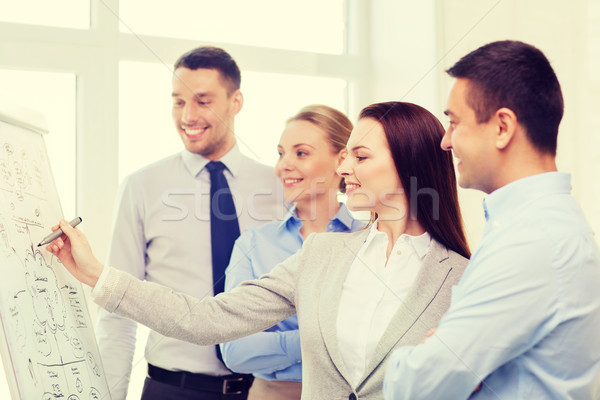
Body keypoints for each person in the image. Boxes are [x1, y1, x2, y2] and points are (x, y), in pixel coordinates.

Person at [47, 101, 471, 399]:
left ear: (409, 162)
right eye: (345, 157)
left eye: (360, 157)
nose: (344, 169)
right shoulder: (323, 254)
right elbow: (206, 318)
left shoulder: (463, 276)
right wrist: (96, 274)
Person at [383, 40, 600, 399]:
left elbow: (418, 387)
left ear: (502, 127)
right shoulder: (536, 227)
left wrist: (413, 360)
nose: (445, 142)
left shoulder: (532, 241)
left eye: (453, 122)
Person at [98, 46, 282, 400]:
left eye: (202, 100)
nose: (187, 115)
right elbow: (117, 308)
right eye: (178, 101)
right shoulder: (142, 187)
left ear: (236, 101)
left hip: (265, 391)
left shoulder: (277, 186)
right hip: (173, 389)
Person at [220, 105, 364, 400]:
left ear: (341, 160)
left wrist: (276, 348)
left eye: (301, 153)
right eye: (281, 153)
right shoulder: (253, 244)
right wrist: (321, 340)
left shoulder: (368, 240)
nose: (283, 165)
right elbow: (234, 350)